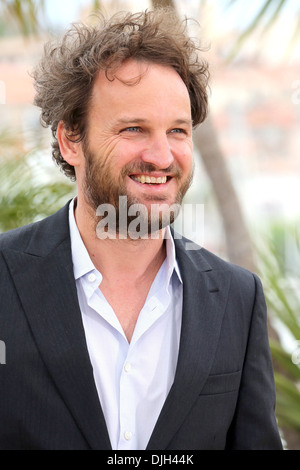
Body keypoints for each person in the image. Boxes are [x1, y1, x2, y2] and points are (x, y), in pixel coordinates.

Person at [0, 8, 282, 450]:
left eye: (177, 130)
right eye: (134, 128)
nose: (161, 155)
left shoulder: (237, 299)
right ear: (71, 140)